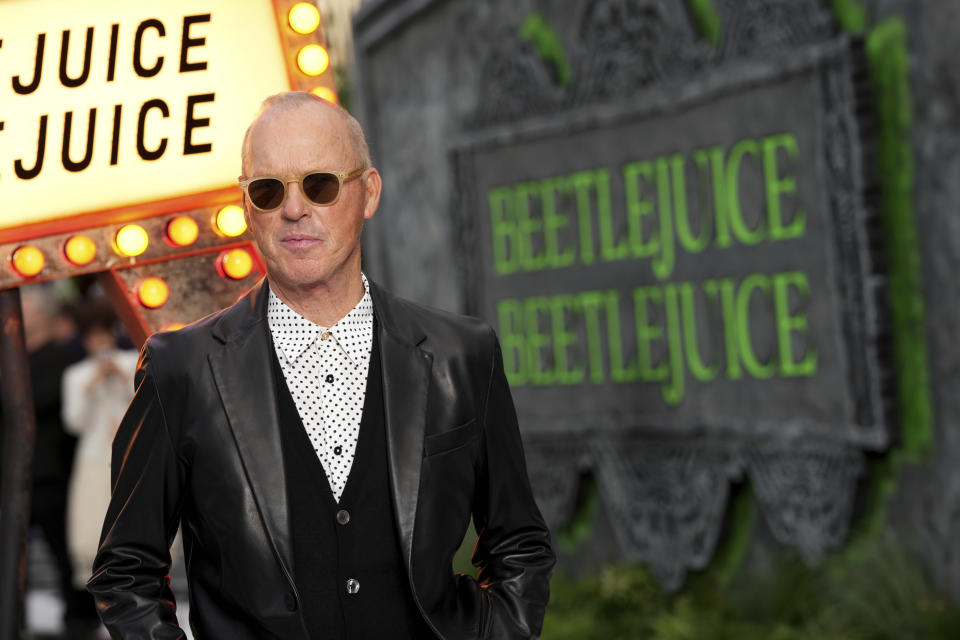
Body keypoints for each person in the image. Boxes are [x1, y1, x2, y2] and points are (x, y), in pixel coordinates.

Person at [87, 91, 555, 639]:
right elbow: (125, 572)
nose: (293, 209)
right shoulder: (181, 370)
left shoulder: (461, 354)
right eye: (267, 190)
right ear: (246, 207)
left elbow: (518, 545)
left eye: (321, 184)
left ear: (369, 192)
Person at [61, 299, 138, 602]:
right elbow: (73, 423)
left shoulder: (133, 361)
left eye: (104, 336)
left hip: (131, 458)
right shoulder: (76, 375)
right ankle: (103, 610)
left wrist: (120, 378)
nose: (100, 343)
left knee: (133, 533)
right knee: (93, 535)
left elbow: (150, 402)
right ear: (85, 341)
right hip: (93, 461)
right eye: (93, 338)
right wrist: (91, 386)